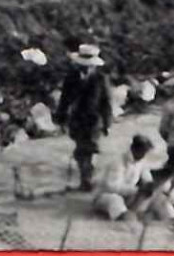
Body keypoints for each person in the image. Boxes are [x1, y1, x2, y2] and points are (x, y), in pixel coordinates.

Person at [55, 43, 114, 191]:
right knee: (81, 151)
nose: (86, 68)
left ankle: (88, 179)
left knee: (91, 149)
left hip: (95, 121)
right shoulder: (71, 78)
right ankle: (85, 178)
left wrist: (107, 123)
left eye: (89, 66)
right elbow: (64, 99)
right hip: (77, 120)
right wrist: (60, 118)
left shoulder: (101, 79)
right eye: (84, 66)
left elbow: (106, 102)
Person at [92, 133, 159, 221]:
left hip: (127, 196)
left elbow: (147, 177)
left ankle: (138, 215)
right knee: (115, 200)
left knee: (156, 197)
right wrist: (137, 190)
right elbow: (112, 187)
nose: (144, 154)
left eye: (145, 152)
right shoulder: (118, 162)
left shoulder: (141, 161)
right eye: (142, 151)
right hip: (105, 195)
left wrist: (150, 186)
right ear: (134, 148)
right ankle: (123, 218)